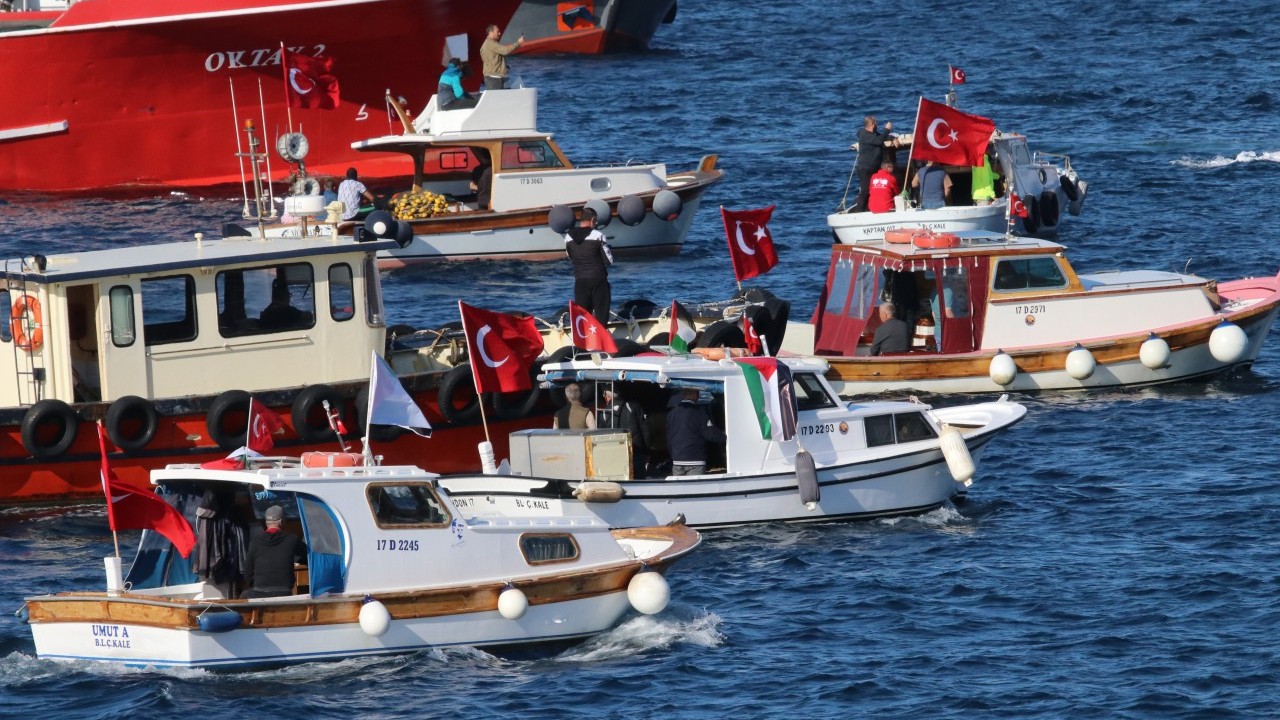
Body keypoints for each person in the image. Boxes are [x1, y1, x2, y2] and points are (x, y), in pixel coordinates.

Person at [241, 505, 307, 599]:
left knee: (244, 596)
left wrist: (259, 584)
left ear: (266, 522)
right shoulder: (292, 540)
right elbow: (309, 557)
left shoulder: (255, 542)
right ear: (281, 521)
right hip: (284, 593)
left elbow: (247, 573)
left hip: (259, 593)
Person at [564, 207, 613, 325]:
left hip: (580, 281)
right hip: (598, 280)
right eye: (595, 222)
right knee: (602, 318)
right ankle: (602, 341)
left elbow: (570, 256)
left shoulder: (568, 237)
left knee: (583, 318)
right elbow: (609, 261)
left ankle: (584, 342)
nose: (595, 224)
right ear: (593, 220)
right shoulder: (598, 235)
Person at [665, 388, 725, 476]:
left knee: (679, 488)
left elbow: (669, 437)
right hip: (695, 460)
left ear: (683, 395)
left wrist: (673, 454)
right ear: (696, 395)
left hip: (677, 460)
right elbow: (710, 434)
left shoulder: (672, 414)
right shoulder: (699, 412)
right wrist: (724, 436)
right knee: (695, 488)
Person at [597, 386, 650, 478]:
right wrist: (646, 452)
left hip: (613, 454)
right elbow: (646, 431)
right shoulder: (635, 407)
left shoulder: (603, 413)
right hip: (636, 452)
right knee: (639, 481)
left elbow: (600, 437)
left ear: (606, 396)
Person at [852, 115, 894, 212]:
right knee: (865, 191)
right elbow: (879, 141)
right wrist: (887, 129)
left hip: (874, 168)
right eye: (876, 124)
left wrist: (891, 138)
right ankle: (858, 212)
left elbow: (881, 137)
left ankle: (868, 209)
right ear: (872, 125)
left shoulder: (873, 135)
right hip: (866, 169)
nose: (877, 126)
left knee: (874, 190)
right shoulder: (864, 135)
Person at [480, 24, 524, 90]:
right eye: (497, 32)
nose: (500, 33)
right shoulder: (491, 44)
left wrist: (503, 66)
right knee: (496, 98)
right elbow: (505, 50)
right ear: (491, 32)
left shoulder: (486, 44)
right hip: (494, 79)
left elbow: (491, 61)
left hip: (492, 77)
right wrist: (518, 43)